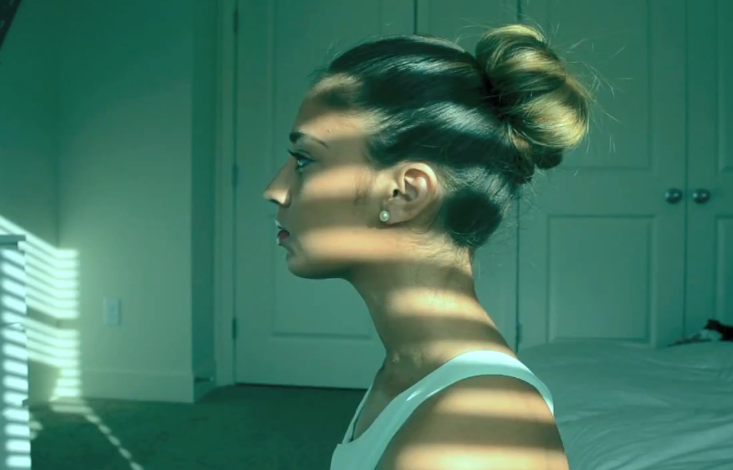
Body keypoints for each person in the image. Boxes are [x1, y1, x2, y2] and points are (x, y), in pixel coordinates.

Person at [263, 23, 590, 470]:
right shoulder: (410, 372)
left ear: (405, 194)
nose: (275, 190)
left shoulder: (470, 428)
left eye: (304, 160)